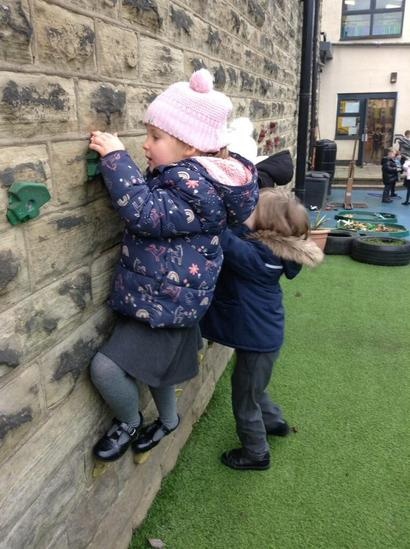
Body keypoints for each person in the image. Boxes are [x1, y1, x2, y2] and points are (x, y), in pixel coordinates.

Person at [88, 69, 259, 462]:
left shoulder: (194, 188)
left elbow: (144, 212)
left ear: (190, 147)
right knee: (160, 370)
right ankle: (168, 421)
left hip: (166, 302)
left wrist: (115, 157)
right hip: (170, 297)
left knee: (105, 369)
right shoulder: (192, 178)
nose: (145, 144)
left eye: (155, 137)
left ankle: (129, 421)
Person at [200, 189, 324, 470]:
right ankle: (273, 420)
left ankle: (256, 453)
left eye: (252, 209)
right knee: (253, 386)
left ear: (267, 224)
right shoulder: (272, 249)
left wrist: (209, 207)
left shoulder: (260, 258)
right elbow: (239, 235)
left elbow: (224, 238)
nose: (247, 211)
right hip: (262, 336)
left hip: (258, 340)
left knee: (244, 397)